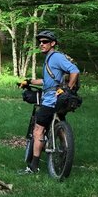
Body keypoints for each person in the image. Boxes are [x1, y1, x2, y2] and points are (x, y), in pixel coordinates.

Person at [18, 30, 79, 174]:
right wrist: (29, 81)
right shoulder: (50, 59)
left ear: (53, 44)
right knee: (58, 124)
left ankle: (33, 167)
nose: (41, 44)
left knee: (38, 130)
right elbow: (48, 81)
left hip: (52, 99)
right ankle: (65, 151)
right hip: (55, 98)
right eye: (40, 42)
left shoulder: (55, 57)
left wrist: (68, 90)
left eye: (45, 42)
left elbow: (74, 71)